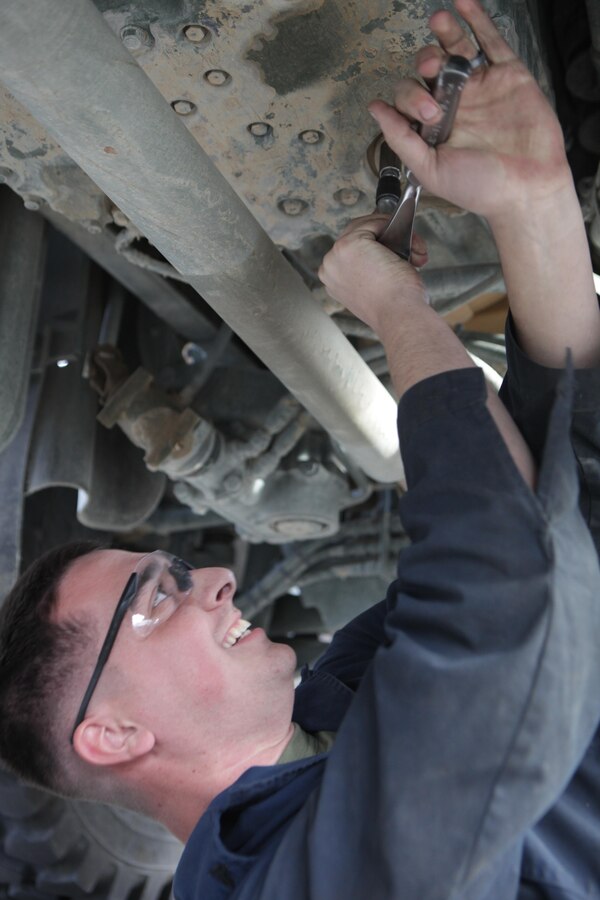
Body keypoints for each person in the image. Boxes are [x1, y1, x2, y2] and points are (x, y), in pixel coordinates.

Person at [1, 0, 600, 897]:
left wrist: (533, 202)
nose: (215, 578)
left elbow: (558, 499)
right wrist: (398, 313)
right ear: (113, 736)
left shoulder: (340, 705)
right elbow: (506, 591)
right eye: (154, 600)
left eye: (173, 571)